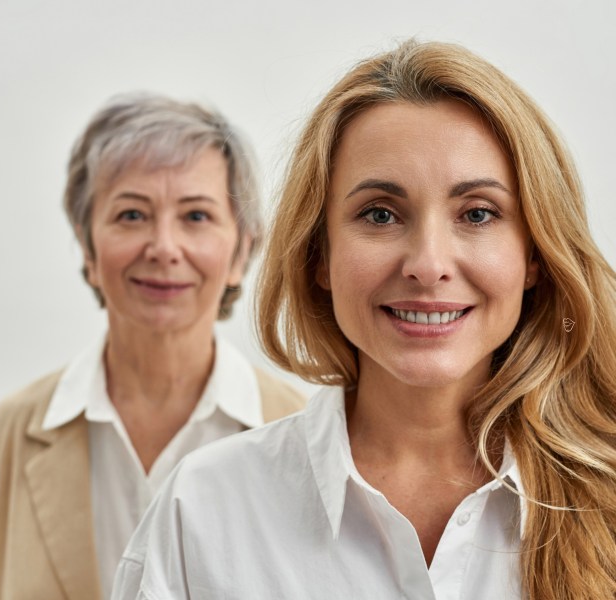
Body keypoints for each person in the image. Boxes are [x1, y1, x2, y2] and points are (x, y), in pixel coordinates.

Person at [112, 41, 616, 599]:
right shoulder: (204, 511)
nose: (427, 266)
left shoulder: (606, 497)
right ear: (318, 254)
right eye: (380, 214)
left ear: (534, 256)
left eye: (477, 213)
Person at [0, 94, 305, 600]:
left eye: (196, 216)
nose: (164, 248)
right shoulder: (4, 443)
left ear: (242, 251)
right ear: (87, 247)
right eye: (132, 215)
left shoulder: (306, 441)